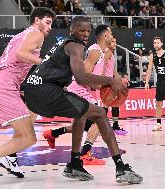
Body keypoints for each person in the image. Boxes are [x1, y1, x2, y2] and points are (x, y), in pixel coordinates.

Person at [24, 16, 143, 184]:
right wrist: (110, 81)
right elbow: (80, 77)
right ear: (72, 30)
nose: (86, 34)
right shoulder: (77, 46)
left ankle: (74, 163)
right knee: (100, 114)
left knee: (81, 113)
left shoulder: (64, 43)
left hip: (34, 91)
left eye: (88, 30)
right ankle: (121, 168)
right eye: (82, 30)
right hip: (46, 92)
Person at [0, 7, 55, 186]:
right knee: (29, 137)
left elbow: (14, 58)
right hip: (4, 85)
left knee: (28, 120)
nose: (49, 27)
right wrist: (46, 64)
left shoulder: (20, 35)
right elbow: (21, 54)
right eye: (47, 22)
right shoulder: (36, 34)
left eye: (51, 23)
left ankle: (10, 157)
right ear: (36, 21)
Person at [42, 29, 126, 165]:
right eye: (111, 34)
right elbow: (83, 77)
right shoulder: (96, 51)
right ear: (105, 36)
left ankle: (54, 133)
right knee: (100, 117)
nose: (113, 38)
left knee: (86, 124)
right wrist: (109, 86)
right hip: (78, 89)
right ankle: (84, 154)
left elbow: (98, 78)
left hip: (82, 89)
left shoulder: (102, 52)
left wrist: (111, 83)